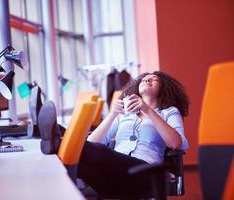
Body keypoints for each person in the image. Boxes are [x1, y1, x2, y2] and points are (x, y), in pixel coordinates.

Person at [38, 71, 189, 198]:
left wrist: (148, 110)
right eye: (144, 79)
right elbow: (93, 141)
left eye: (154, 79)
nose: (147, 80)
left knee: (102, 153)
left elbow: (176, 143)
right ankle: (57, 141)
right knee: (80, 167)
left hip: (145, 173)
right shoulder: (125, 114)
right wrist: (113, 114)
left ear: (164, 88)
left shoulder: (169, 112)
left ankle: (58, 140)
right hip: (114, 177)